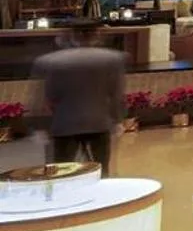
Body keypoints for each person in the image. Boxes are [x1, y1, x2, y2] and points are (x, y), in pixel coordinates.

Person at [35, 24, 126, 173]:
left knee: (62, 173)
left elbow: (46, 97)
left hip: (64, 125)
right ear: (96, 35)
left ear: (71, 36)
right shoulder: (112, 59)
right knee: (101, 171)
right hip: (99, 123)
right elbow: (116, 94)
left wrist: (39, 127)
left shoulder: (51, 61)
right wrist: (118, 120)